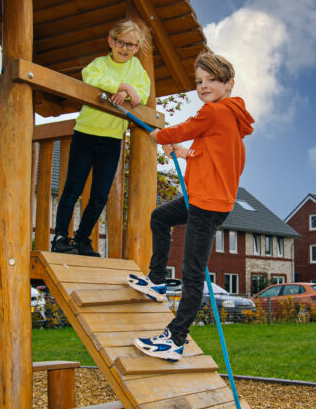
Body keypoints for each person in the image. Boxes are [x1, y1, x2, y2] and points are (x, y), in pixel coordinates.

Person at [128, 52, 254, 361]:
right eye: (199, 81)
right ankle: (157, 280)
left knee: (193, 273)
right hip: (204, 199)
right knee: (160, 217)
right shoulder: (231, 118)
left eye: (212, 80)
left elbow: (181, 129)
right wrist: (185, 153)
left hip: (206, 204)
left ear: (228, 84)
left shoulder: (214, 112)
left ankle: (175, 338)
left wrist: (162, 136)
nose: (204, 86)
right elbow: (213, 153)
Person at [51, 20, 152, 256]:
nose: (125, 49)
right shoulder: (100, 64)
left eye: (131, 45)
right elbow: (89, 77)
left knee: (99, 195)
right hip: (86, 133)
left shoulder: (137, 69)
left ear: (137, 47)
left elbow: (142, 97)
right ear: (111, 41)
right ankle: (60, 237)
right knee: (72, 189)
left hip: (112, 139)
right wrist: (122, 85)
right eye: (121, 43)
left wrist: (128, 92)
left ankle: (82, 239)